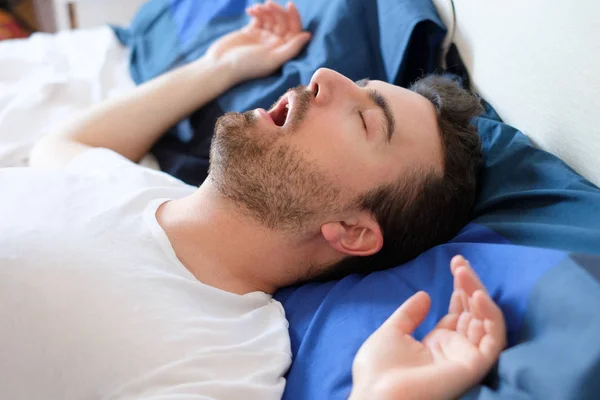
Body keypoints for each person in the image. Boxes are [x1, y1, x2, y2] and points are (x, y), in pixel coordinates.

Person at [0, 1, 503, 399]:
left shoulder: (226, 355)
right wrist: (218, 67)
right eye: (359, 85)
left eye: (365, 118)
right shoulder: (148, 189)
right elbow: (57, 149)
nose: (324, 76)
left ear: (352, 230)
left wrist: (378, 395)